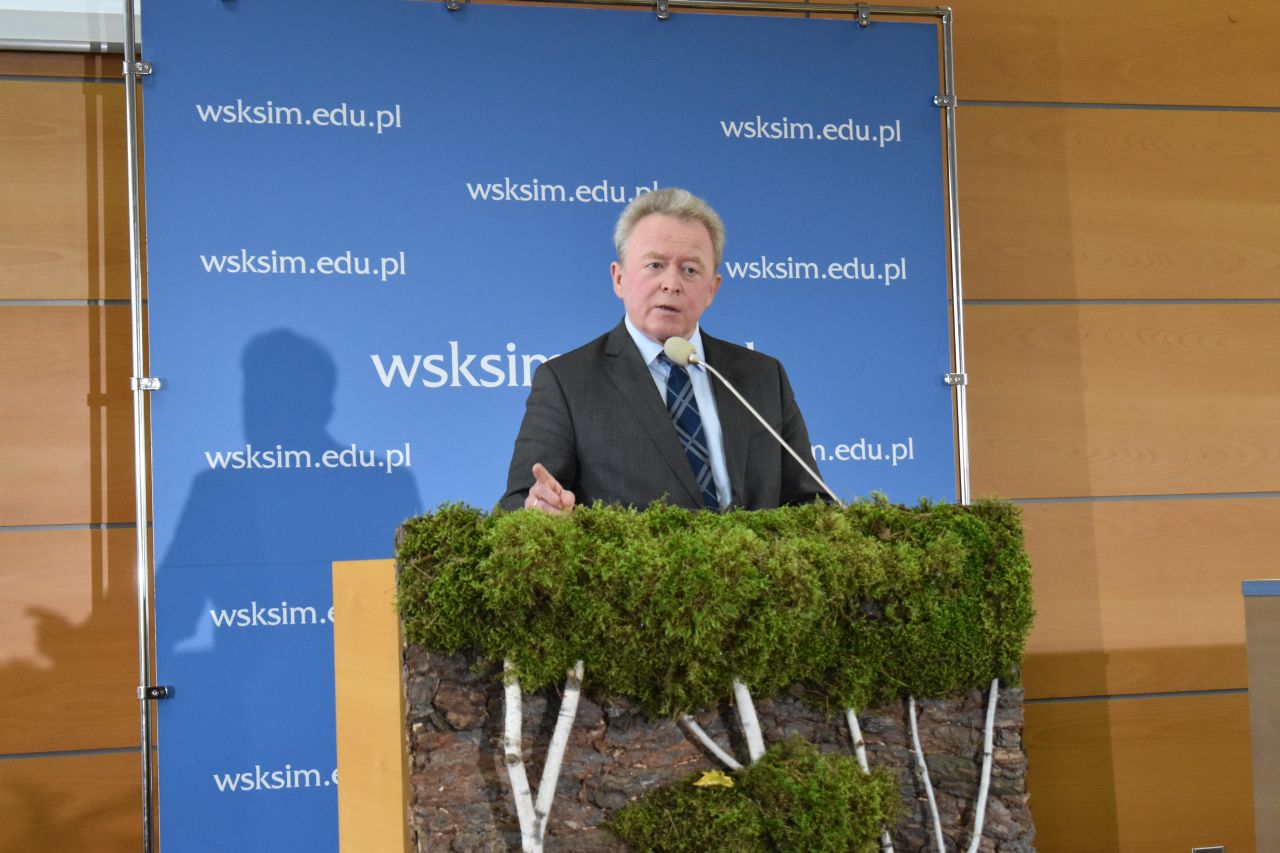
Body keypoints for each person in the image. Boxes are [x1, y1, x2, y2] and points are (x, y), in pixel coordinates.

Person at [499, 187, 825, 514]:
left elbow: (812, 504)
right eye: (655, 265)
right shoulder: (567, 382)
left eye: (690, 270)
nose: (671, 284)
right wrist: (543, 512)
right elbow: (519, 503)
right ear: (619, 278)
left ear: (712, 289)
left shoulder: (764, 377)